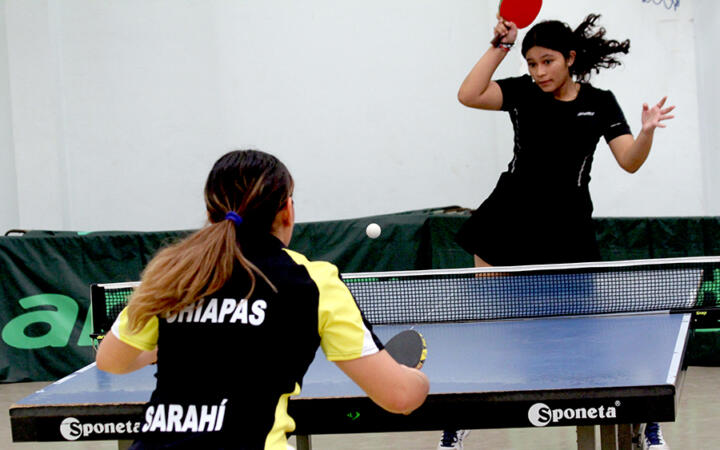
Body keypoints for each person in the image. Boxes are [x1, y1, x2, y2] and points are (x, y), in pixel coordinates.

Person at [96, 149, 429, 450]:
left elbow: (111, 360)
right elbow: (399, 397)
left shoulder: (173, 273)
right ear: (286, 209)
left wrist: (167, 348)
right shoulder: (311, 282)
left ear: (212, 212)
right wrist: (414, 379)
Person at [445, 13, 674, 450]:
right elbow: (468, 94)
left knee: (586, 333)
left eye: (547, 62)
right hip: (507, 220)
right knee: (486, 325)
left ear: (569, 58)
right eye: (531, 63)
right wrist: (501, 46)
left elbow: (630, 160)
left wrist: (645, 133)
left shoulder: (600, 102)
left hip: (568, 225)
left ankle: (644, 419)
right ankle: (460, 416)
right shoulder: (521, 93)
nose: (538, 72)